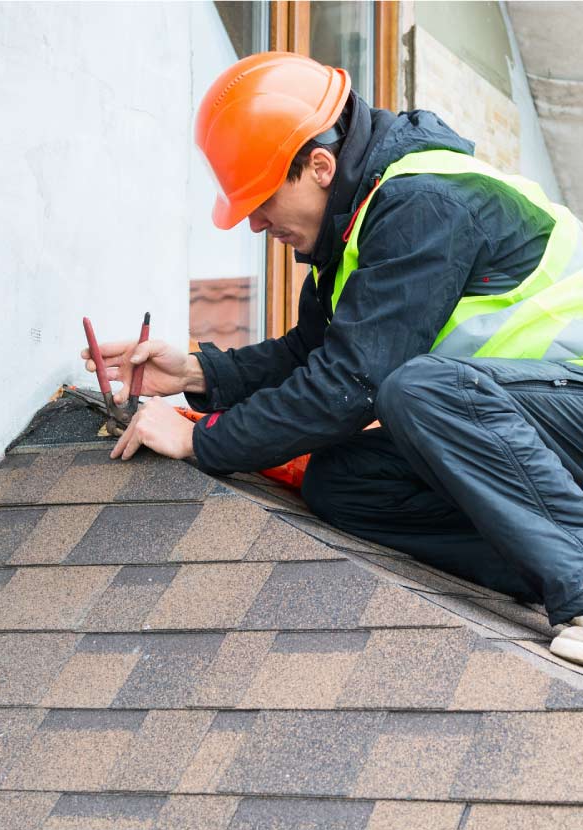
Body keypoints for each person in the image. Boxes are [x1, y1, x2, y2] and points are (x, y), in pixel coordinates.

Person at [82, 51, 583, 666]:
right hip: (537, 438)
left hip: (566, 413)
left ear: (320, 166)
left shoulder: (424, 203)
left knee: (421, 390)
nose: (255, 225)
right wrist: (196, 372)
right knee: (341, 482)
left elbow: (350, 384)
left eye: (262, 199)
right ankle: (539, 565)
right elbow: (316, 354)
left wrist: (200, 441)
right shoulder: (357, 227)